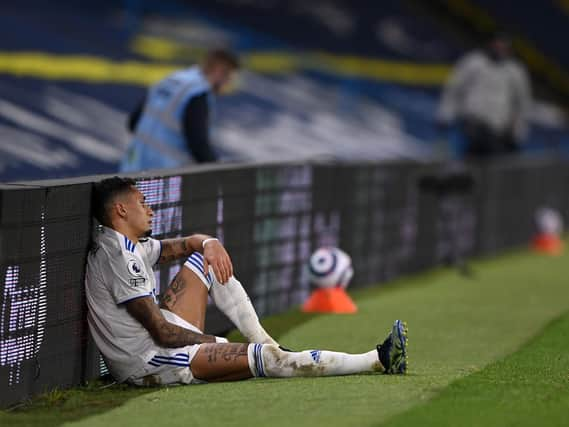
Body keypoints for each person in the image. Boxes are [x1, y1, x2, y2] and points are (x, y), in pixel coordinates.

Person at [85, 176, 408, 386]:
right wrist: (218, 344)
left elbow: (185, 246)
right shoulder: (120, 258)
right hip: (149, 361)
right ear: (121, 210)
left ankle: (265, 340)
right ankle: (376, 360)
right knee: (271, 362)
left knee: (206, 261)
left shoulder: (125, 243)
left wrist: (209, 242)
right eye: (142, 202)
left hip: (156, 339)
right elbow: (163, 333)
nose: (150, 209)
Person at [119, 49, 239, 172]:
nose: (228, 84)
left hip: (131, 168)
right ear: (219, 71)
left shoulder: (170, 79)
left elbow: (133, 123)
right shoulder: (197, 93)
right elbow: (198, 144)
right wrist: (219, 171)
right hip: (163, 175)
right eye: (230, 78)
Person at [437, 33, 532, 159]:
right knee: (469, 156)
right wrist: (446, 113)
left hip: (499, 129)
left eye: (504, 47)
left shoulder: (515, 71)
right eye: (497, 46)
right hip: (472, 123)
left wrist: (518, 131)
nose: (500, 50)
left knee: (495, 161)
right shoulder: (473, 62)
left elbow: (522, 103)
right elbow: (454, 88)